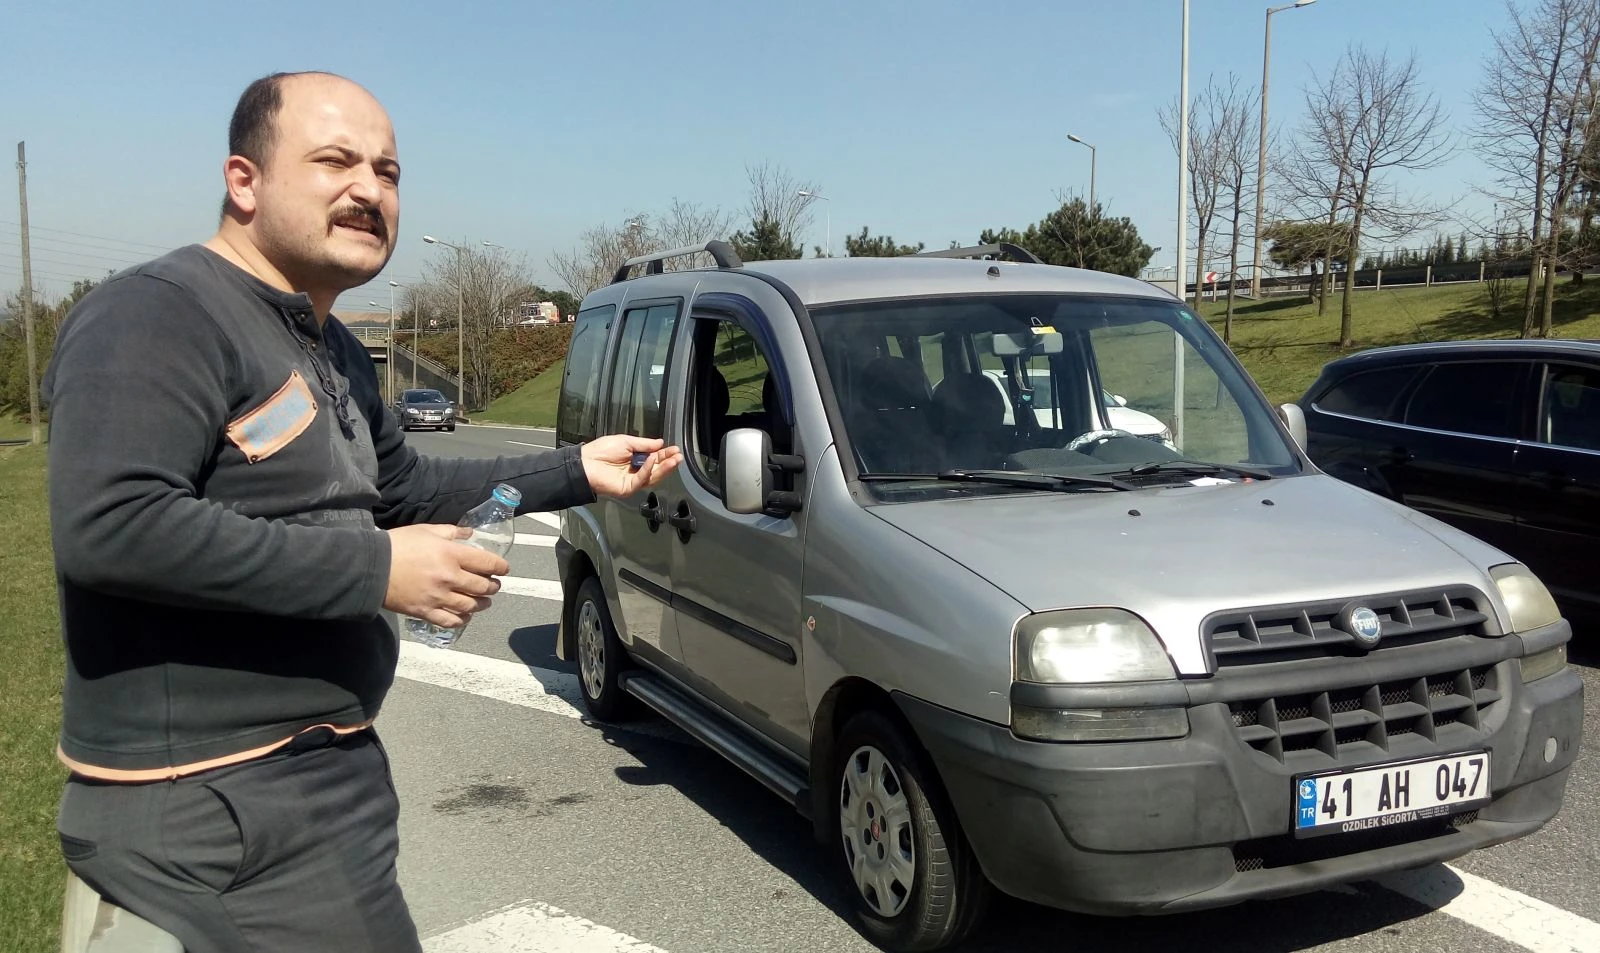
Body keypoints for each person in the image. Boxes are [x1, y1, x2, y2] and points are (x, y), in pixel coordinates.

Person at [41, 70, 682, 953]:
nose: (368, 190)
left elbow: (407, 490)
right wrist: (380, 569)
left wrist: (578, 469)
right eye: (335, 161)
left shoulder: (328, 341)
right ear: (244, 180)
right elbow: (114, 526)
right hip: (215, 805)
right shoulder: (158, 314)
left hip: (315, 779)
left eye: (386, 171)